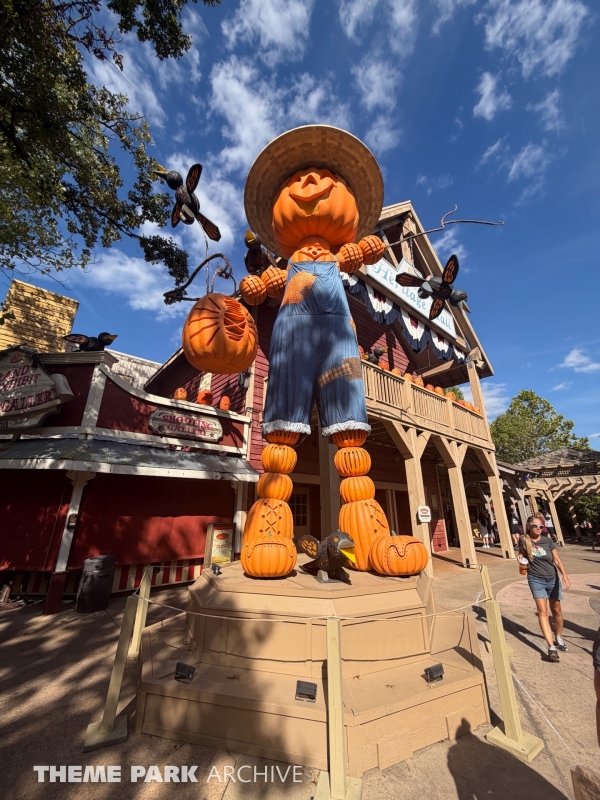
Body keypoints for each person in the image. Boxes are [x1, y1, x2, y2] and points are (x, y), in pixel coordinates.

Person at [520, 515, 571, 662]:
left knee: (557, 611)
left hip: (552, 578)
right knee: (542, 612)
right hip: (535, 579)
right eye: (536, 526)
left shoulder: (548, 541)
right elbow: (521, 556)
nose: (538, 528)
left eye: (541, 526)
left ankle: (559, 636)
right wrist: (522, 563)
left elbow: (557, 559)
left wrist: (565, 575)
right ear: (529, 526)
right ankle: (551, 647)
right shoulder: (524, 540)